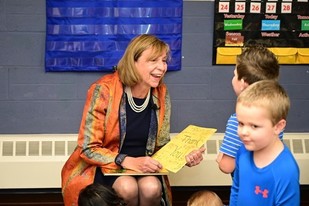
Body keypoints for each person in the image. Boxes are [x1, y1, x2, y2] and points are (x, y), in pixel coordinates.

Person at [61, 34, 205, 206]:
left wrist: (184, 156)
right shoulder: (103, 90)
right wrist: (127, 161)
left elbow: (161, 145)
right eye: (153, 61)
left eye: (164, 61)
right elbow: (88, 148)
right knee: (127, 187)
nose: (162, 67)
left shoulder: (161, 92)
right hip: (107, 166)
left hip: (145, 166)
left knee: (151, 187)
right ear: (133, 62)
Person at [229, 80, 300, 205]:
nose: (243, 132)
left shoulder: (286, 171)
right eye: (240, 123)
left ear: (278, 127)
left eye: (254, 126)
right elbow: (236, 190)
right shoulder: (243, 151)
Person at [216, 46, 283, 174]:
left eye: (234, 75)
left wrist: (220, 159)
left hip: (247, 185)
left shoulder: (239, 121)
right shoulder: (276, 115)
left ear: (242, 83)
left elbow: (227, 166)